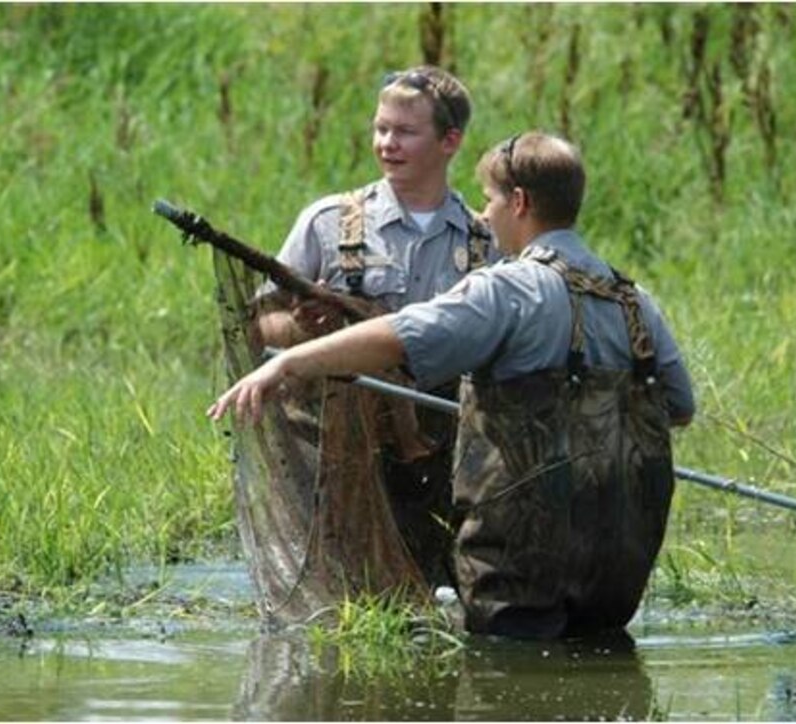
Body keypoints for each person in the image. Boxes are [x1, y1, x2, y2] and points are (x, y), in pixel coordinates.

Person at [210, 131, 695, 640]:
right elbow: (678, 408)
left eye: (490, 199)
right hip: (619, 565)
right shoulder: (636, 302)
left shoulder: (508, 288)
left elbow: (397, 338)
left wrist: (286, 365)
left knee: (505, 684)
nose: (484, 216)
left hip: (519, 569)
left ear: (521, 202)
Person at [249, 65, 497, 591]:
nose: (387, 143)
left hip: (444, 461)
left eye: (406, 131)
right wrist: (303, 328)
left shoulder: (488, 243)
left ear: (450, 141)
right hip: (339, 458)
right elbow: (259, 327)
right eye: (381, 128)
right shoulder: (327, 222)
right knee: (339, 602)